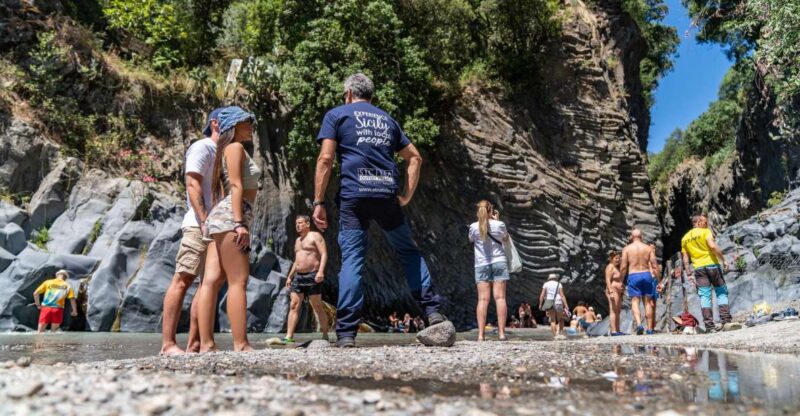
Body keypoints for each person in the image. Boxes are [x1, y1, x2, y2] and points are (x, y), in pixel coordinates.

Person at [312, 73, 447, 348]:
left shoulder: (337, 115)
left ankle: (347, 334)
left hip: (354, 198)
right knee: (408, 252)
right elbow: (415, 157)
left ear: (349, 93)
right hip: (386, 194)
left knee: (352, 261)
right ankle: (432, 311)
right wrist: (406, 195)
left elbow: (326, 158)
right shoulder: (387, 119)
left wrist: (318, 203)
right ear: (370, 96)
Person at [160, 107, 225, 355]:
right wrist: (204, 219)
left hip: (215, 226)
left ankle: (194, 344)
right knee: (183, 278)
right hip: (199, 224)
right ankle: (167, 345)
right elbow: (192, 182)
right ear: (216, 123)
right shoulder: (202, 147)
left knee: (206, 283)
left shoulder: (221, 152)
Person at [196, 106, 259, 352]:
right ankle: (241, 344)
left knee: (211, 281)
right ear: (234, 125)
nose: (251, 126)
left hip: (220, 218)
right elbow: (235, 186)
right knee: (238, 280)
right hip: (231, 218)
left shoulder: (227, 149)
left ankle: (206, 345)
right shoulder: (235, 148)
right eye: (247, 122)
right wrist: (239, 223)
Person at [681, 214, 732, 332]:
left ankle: (709, 326)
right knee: (721, 291)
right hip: (712, 265)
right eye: (704, 221)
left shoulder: (685, 238)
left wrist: (688, 273)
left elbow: (685, 258)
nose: (706, 223)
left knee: (704, 296)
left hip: (698, 269)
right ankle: (725, 321)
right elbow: (712, 246)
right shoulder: (705, 232)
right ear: (698, 222)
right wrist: (723, 259)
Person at [283, 215, 330, 343]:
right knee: (293, 305)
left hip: (312, 275)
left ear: (307, 224)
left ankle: (325, 334)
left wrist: (320, 271)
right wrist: (290, 276)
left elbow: (324, 253)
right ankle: (289, 336)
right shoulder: (298, 240)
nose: (297, 225)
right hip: (298, 277)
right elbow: (296, 261)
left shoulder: (315, 236)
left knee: (317, 306)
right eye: (296, 223)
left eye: (300, 223)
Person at [469, 200, 510, 341]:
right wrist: (496, 220)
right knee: (500, 298)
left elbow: (471, 239)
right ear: (491, 210)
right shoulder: (500, 224)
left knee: (482, 299)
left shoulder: (473, 227)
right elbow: (505, 238)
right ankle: (502, 334)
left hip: (481, 264)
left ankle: (481, 335)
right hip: (499, 262)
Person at [620, 229, 659, 335]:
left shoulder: (627, 249)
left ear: (631, 237)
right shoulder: (648, 248)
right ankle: (650, 328)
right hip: (646, 275)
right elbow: (655, 265)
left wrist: (620, 281)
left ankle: (639, 325)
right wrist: (659, 281)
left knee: (635, 302)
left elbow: (623, 267)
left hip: (633, 275)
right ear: (641, 236)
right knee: (647, 302)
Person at [539, 273, 569, 339]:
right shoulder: (559, 284)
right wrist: (566, 305)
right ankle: (560, 332)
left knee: (552, 320)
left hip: (549, 302)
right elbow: (562, 295)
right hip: (558, 302)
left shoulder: (546, 284)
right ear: (555, 278)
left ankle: (555, 336)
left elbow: (542, 295)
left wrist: (540, 304)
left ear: (549, 278)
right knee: (561, 319)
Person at [605, 251, 624, 335]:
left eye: (619, 258)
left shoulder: (616, 267)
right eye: (616, 258)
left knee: (618, 311)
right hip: (613, 290)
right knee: (613, 310)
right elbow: (608, 280)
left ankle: (618, 330)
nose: (618, 259)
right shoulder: (610, 267)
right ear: (611, 259)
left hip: (618, 291)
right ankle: (613, 331)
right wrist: (611, 292)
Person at [647, 243, 662, 331]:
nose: (653, 250)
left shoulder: (654, 259)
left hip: (655, 280)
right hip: (650, 280)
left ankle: (652, 325)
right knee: (650, 303)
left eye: (654, 248)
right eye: (651, 248)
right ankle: (650, 326)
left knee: (654, 303)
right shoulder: (646, 259)